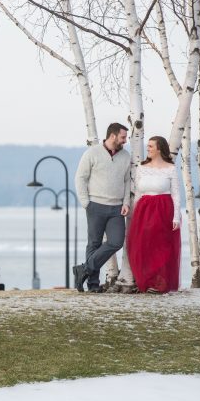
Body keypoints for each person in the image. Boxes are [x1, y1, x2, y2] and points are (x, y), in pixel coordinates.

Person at [73, 123, 131, 293]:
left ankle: (83, 269)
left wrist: (126, 202)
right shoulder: (92, 153)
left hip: (116, 208)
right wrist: (86, 203)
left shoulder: (126, 156)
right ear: (113, 136)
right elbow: (80, 178)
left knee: (116, 241)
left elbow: (127, 181)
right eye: (123, 137)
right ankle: (92, 285)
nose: (125, 140)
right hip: (95, 205)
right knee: (94, 243)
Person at [127, 136, 181, 293]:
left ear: (159, 149)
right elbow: (137, 192)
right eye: (148, 146)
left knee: (161, 246)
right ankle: (146, 281)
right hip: (143, 211)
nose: (148, 148)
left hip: (163, 209)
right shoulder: (142, 167)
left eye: (151, 146)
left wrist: (176, 216)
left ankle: (160, 283)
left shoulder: (170, 168)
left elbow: (176, 194)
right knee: (143, 245)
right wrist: (133, 213)